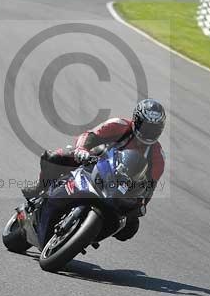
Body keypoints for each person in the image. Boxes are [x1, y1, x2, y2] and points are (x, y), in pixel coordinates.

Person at [22, 98, 166, 241]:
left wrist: (141, 204)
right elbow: (91, 135)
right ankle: (40, 187)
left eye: (154, 130)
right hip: (94, 162)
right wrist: (82, 149)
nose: (149, 133)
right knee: (54, 158)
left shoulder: (157, 155)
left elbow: (149, 186)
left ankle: (88, 234)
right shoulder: (119, 125)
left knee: (130, 228)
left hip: (119, 188)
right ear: (136, 120)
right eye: (146, 127)